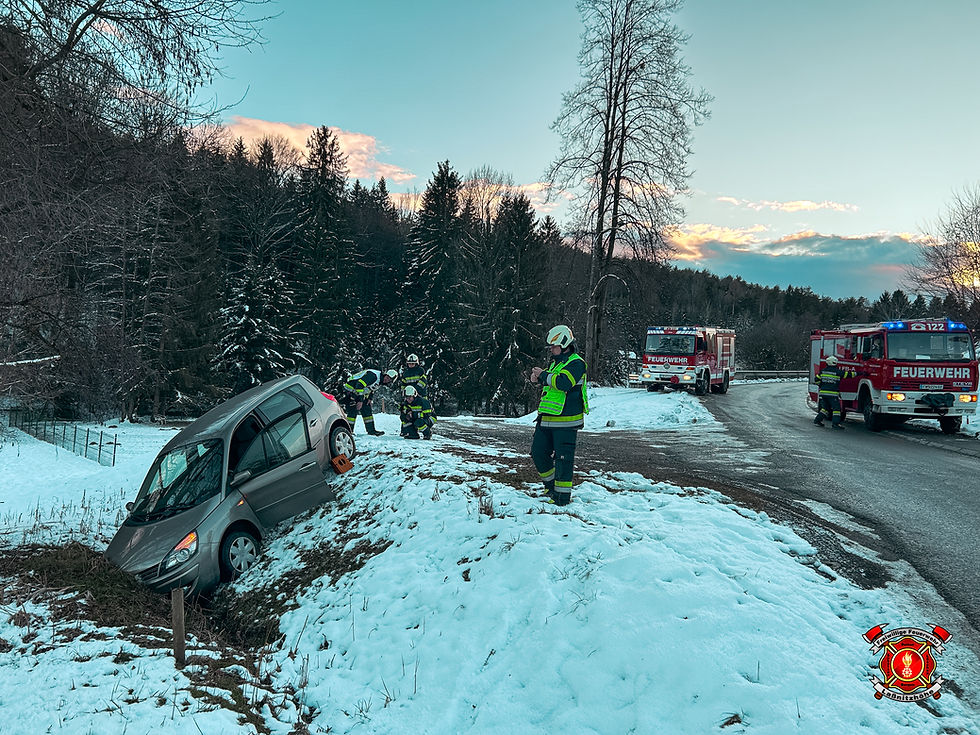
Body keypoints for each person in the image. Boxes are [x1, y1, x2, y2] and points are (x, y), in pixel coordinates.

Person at [529, 325, 588, 506]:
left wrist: (543, 375)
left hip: (566, 422)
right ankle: (551, 487)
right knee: (538, 453)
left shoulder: (577, 363)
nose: (551, 350)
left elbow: (563, 383)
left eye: (554, 347)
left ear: (564, 344)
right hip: (546, 419)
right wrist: (539, 380)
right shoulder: (557, 363)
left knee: (563, 460)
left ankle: (562, 498)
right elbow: (552, 386)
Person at [341, 368, 397, 435]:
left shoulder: (380, 380)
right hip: (350, 390)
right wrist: (360, 400)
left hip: (358, 392)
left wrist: (370, 398)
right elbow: (359, 385)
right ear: (385, 374)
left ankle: (371, 431)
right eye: (387, 377)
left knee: (367, 409)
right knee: (353, 410)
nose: (387, 380)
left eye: (389, 380)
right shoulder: (373, 376)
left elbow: (370, 388)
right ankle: (348, 431)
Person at [813, 355, 853, 430]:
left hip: (823, 393)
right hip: (832, 394)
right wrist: (860, 373)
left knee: (825, 408)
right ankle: (835, 424)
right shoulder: (837, 372)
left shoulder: (823, 371)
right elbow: (848, 375)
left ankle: (817, 420)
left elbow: (816, 379)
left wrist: (821, 385)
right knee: (836, 409)